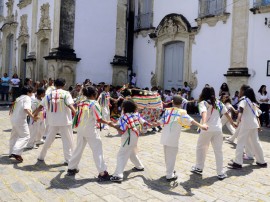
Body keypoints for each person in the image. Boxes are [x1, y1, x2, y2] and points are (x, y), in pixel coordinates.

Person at [156, 95, 208, 181]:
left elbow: (160, 122)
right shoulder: (181, 112)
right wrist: (201, 126)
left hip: (164, 137)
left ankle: (170, 170)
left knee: (167, 155)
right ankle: (169, 175)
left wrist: (151, 124)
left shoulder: (167, 111)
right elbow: (191, 120)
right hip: (173, 139)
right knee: (171, 156)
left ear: (172, 102)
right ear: (181, 104)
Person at [67, 86, 112, 180]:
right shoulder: (94, 104)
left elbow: (77, 115)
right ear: (93, 94)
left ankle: (71, 167)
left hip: (81, 129)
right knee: (97, 150)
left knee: (78, 148)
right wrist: (108, 122)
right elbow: (98, 119)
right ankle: (102, 172)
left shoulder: (81, 103)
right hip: (90, 129)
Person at [191, 86, 236, 180]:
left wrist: (203, 123)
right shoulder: (218, 102)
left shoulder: (203, 103)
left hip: (206, 129)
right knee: (218, 151)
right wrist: (233, 123)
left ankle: (199, 167)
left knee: (201, 148)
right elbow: (226, 113)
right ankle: (220, 172)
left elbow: (204, 112)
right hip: (218, 129)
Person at [34, 78, 76, 164]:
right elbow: (70, 105)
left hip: (52, 121)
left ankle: (41, 156)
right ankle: (68, 159)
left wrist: (34, 114)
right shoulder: (66, 93)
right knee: (67, 140)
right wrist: (76, 113)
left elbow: (40, 106)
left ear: (55, 85)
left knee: (49, 139)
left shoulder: (49, 94)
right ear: (64, 85)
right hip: (65, 121)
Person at [110, 99, 150, 182]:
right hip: (135, 136)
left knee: (121, 155)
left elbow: (122, 129)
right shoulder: (136, 114)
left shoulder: (124, 117)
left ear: (124, 108)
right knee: (131, 152)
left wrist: (112, 125)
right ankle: (139, 166)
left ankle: (118, 175)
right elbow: (142, 121)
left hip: (127, 138)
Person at [228, 85, 267, 169]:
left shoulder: (244, 100)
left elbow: (241, 111)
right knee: (256, 143)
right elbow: (257, 115)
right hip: (253, 125)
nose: (240, 92)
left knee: (240, 143)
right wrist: (259, 125)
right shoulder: (253, 102)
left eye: (240, 90)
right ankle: (262, 161)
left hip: (246, 124)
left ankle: (237, 163)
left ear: (244, 91)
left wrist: (237, 121)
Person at [9, 85, 37, 162]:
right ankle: (16, 152)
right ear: (28, 92)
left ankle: (11, 151)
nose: (32, 94)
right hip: (20, 119)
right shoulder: (27, 98)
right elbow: (26, 109)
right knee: (26, 136)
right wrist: (33, 117)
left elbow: (12, 108)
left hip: (14, 118)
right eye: (31, 92)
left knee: (14, 135)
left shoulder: (18, 98)